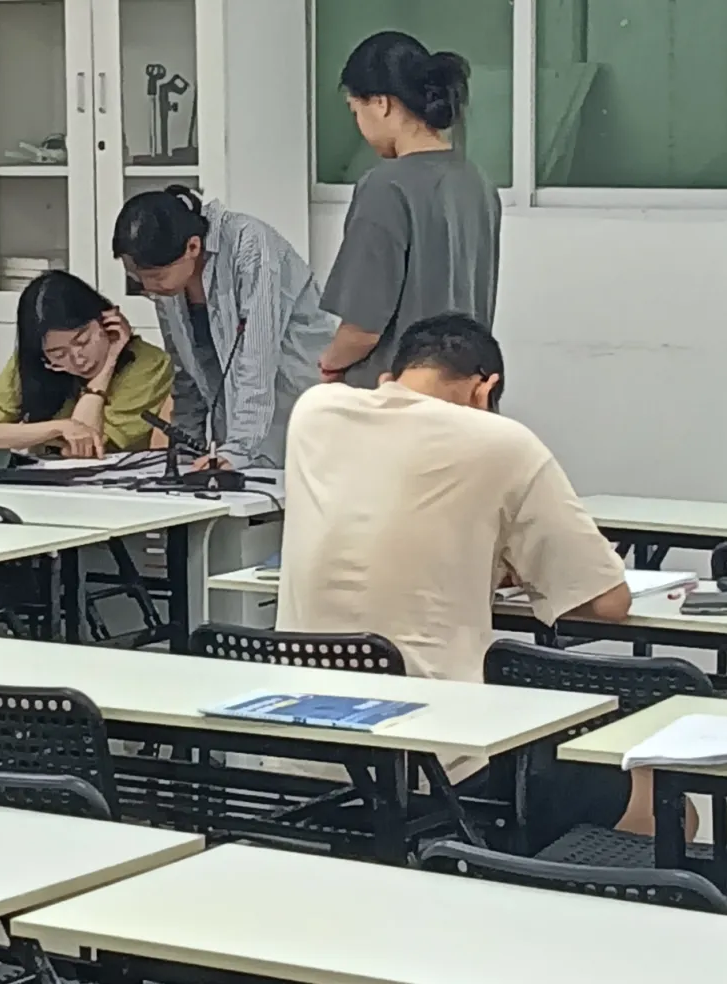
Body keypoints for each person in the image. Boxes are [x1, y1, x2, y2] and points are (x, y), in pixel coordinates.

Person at [277, 313, 696, 847]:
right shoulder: (502, 441)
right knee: (667, 803)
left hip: (300, 752)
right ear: (484, 389)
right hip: (437, 764)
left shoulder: (314, 412)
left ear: (390, 377)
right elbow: (608, 603)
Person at [318, 32, 501, 387]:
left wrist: (329, 364)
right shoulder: (478, 182)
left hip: (395, 396)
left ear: (381, 103)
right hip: (463, 394)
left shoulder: (385, 187)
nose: (359, 126)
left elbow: (363, 330)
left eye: (355, 110)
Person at [112, 186, 336, 470]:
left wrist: (239, 448)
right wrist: (185, 446)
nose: (149, 287)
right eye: (138, 278)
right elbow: (185, 371)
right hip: (237, 431)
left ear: (193, 247)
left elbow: (257, 357)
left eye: (156, 277)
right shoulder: (169, 278)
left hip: (299, 412)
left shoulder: (250, 246)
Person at [0, 270, 172, 457]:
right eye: (59, 354)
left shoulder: (148, 366)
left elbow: (82, 449)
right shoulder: (35, 361)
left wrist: (108, 365)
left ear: (107, 321)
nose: (78, 359)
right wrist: (60, 427)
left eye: (83, 341)